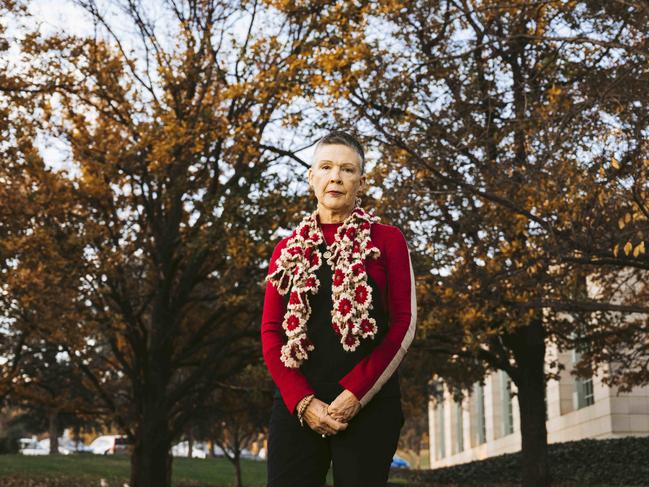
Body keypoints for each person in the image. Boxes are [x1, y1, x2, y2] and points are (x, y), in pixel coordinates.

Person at [260, 130, 417, 487]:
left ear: (360, 181)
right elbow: (271, 333)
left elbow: (403, 324)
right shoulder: (286, 249)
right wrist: (302, 401)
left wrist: (356, 395)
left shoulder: (387, 240)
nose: (335, 177)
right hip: (298, 405)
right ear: (311, 177)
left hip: (369, 405)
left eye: (347, 170)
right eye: (326, 167)